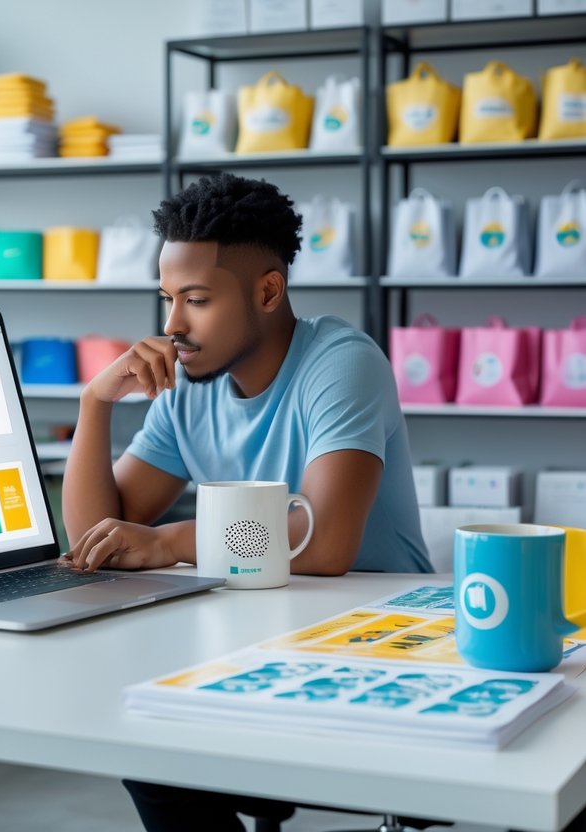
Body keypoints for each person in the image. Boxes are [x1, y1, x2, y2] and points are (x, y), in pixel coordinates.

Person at [60, 172, 433, 832]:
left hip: (378, 648)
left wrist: (170, 542)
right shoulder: (187, 386)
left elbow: (321, 547)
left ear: (267, 290)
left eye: (196, 300)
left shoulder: (341, 363)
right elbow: (97, 536)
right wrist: (94, 403)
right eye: (167, 299)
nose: (172, 325)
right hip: (250, 645)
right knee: (145, 750)